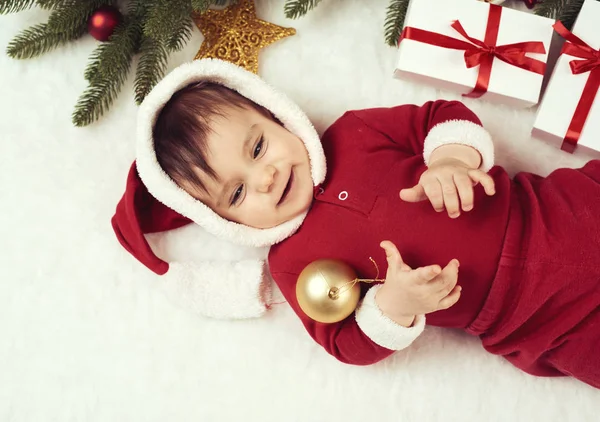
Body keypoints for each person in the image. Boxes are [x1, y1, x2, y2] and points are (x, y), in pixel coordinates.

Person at [112, 59, 600, 389]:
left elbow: (438, 116)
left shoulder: (355, 133)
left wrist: (451, 160)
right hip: (535, 320)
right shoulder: (292, 264)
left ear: (279, 116)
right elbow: (345, 344)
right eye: (236, 193)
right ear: (222, 220)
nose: (265, 178)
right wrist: (393, 306)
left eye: (258, 147)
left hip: (553, 211)